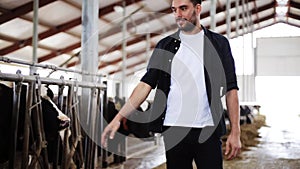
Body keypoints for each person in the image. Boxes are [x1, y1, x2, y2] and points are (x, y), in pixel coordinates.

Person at [101, 0, 241, 168]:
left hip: (208, 128)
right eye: (174, 10)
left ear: (197, 9)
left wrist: (236, 132)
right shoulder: (165, 46)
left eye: (183, 8)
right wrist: (119, 117)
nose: (178, 15)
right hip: (174, 130)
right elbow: (145, 84)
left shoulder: (219, 43)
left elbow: (231, 88)